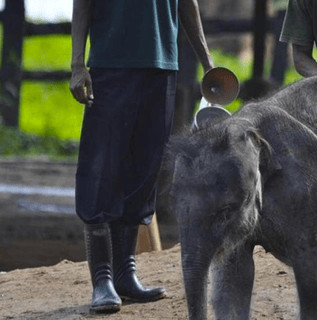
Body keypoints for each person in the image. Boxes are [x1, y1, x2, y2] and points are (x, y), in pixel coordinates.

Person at [69, 0, 214, 313]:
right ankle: (103, 279)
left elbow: (188, 4)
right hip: (110, 64)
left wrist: (207, 62)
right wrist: (77, 65)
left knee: (145, 170)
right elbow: (82, 4)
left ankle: (124, 275)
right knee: (101, 168)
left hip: (162, 67)